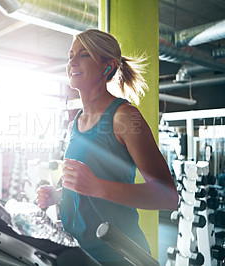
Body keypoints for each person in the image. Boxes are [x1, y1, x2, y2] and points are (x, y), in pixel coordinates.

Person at [36, 29, 179, 265]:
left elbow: (168, 197)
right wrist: (59, 196)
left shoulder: (124, 117)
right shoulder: (76, 123)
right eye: (71, 55)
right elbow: (87, 193)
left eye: (83, 55)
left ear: (108, 67)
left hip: (116, 255)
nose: (72, 61)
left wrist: (98, 187)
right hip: (78, 254)